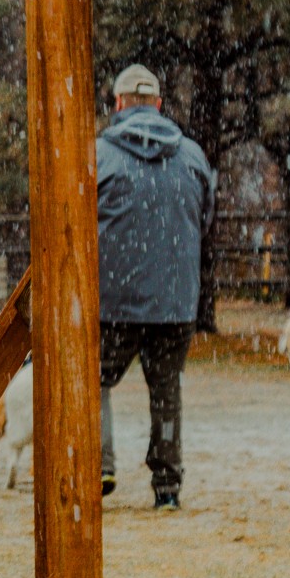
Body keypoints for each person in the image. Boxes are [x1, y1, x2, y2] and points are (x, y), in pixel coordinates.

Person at [94, 64, 213, 510]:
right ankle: (167, 486)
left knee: (93, 381)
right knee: (166, 391)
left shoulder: (98, 155)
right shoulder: (192, 155)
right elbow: (205, 220)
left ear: (118, 103)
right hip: (175, 300)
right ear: (159, 105)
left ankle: (98, 464)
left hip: (114, 300)